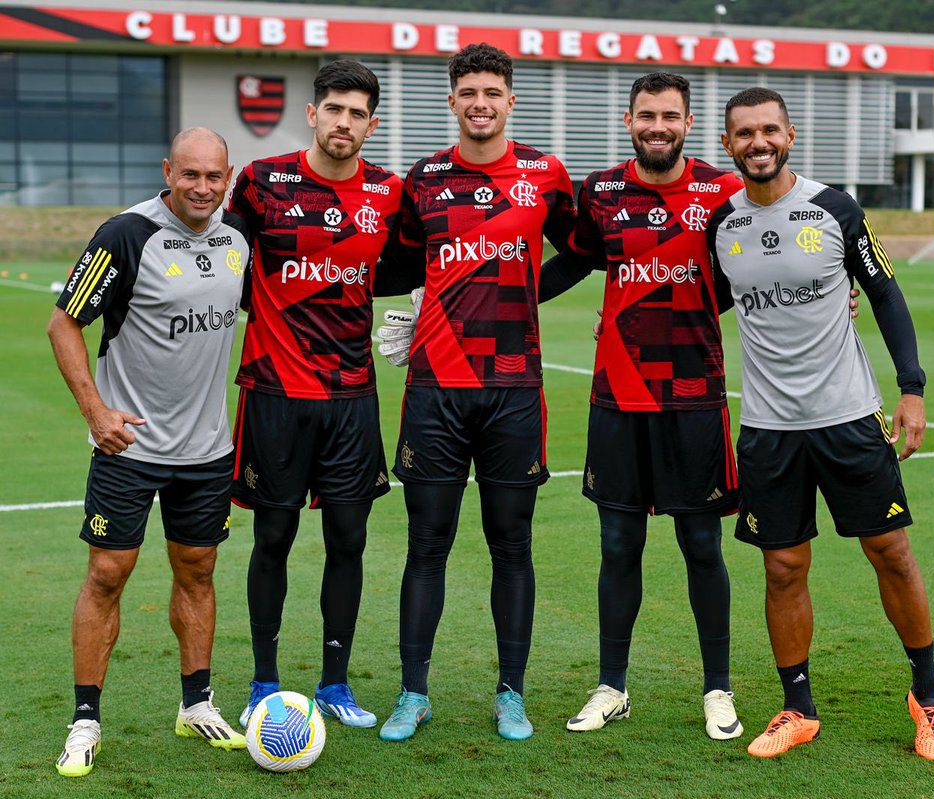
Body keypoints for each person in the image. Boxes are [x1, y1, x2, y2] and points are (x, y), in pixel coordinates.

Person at [708, 87, 934, 761]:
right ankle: (797, 706)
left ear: (790, 134)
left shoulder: (835, 207)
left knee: (891, 552)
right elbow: (707, 306)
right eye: (743, 134)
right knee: (784, 567)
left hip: (849, 417)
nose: (757, 142)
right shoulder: (720, 225)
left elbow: (884, 292)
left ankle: (928, 698)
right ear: (727, 144)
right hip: (767, 428)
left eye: (768, 130)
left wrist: (912, 389)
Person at [537, 73, 747, 740]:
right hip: (617, 397)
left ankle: (718, 687)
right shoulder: (599, 192)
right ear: (629, 120)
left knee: (701, 543)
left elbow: (753, 272)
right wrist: (474, 300)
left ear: (688, 122)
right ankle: (612, 685)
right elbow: (570, 264)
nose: (658, 126)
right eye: (647, 115)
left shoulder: (723, 191)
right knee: (618, 543)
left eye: (670, 116)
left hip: (693, 397)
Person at [376, 43, 575, 743]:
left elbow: (585, 248)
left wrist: (528, 292)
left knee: (511, 544)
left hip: (514, 389)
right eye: (469, 92)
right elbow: (396, 260)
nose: (481, 103)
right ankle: (412, 693)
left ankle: (511, 693)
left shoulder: (546, 175)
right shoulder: (423, 178)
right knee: (425, 544)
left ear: (510, 100)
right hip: (436, 389)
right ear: (453, 101)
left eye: (493, 91)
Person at [48, 127, 250, 777]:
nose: (201, 187)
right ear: (169, 171)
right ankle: (85, 719)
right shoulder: (125, 235)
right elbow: (64, 323)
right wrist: (96, 412)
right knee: (108, 573)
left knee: (197, 569)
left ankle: (197, 704)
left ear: (228, 175)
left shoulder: (238, 240)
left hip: (208, 449)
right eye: (189, 174)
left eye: (213, 176)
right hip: (129, 445)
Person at [227, 59, 411, 730]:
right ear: (312, 113)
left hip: (351, 396)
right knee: (271, 535)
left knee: (349, 538)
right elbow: (226, 263)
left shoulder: (390, 193)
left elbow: (415, 262)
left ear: (372, 123)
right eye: (334, 108)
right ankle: (263, 681)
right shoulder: (260, 182)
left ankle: (336, 683)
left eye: (358, 112)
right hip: (274, 391)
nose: (344, 121)